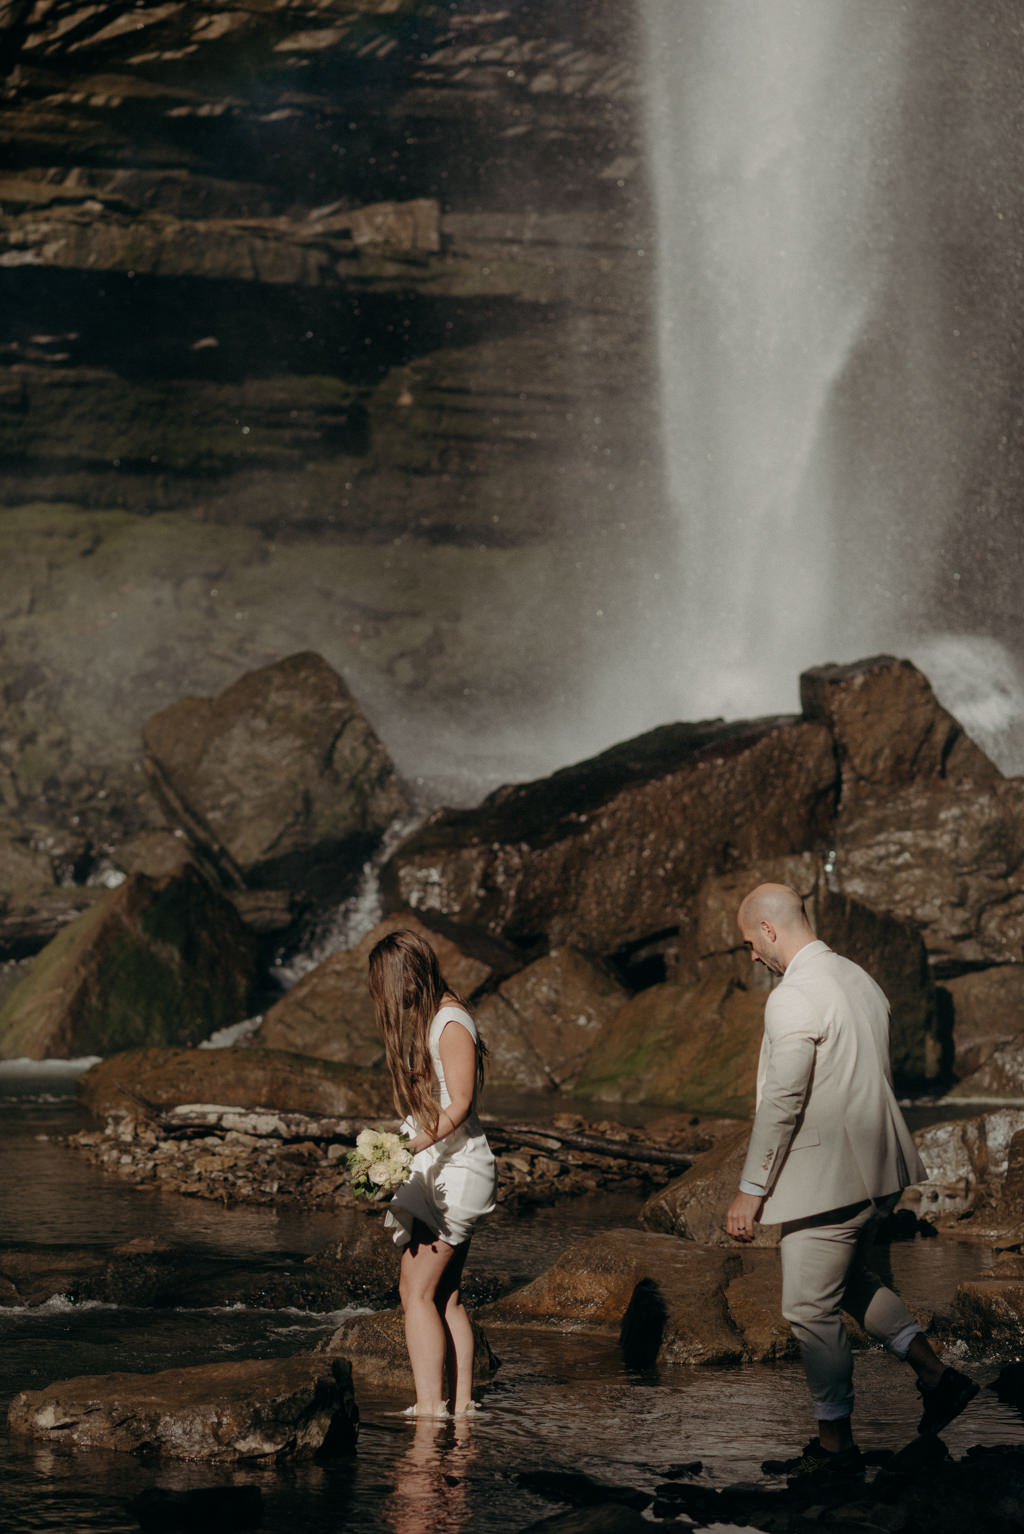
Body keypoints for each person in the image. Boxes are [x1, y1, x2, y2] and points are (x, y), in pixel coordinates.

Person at [724, 883, 977, 1482]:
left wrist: (750, 1191)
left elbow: (784, 1102)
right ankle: (939, 1379)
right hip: (880, 1168)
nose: (753, 959)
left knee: (808, 1307)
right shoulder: (861, 980)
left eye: (749, 945)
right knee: (850, 1283)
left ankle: (836, 1447)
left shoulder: (794, 997)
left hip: (828, 1176)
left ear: (767, 929)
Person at [368, 929, 498, 1418]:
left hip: (456, 1171)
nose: (383, 995)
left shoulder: (449, 1021)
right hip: (443, 1165)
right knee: (445, 1296)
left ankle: (429, 1408)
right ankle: (461, 1406)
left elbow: (460, 1104)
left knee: (415, 1291)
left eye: (386, 983)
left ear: (408, 977)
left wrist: (406, 1149)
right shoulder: (437, 1017)